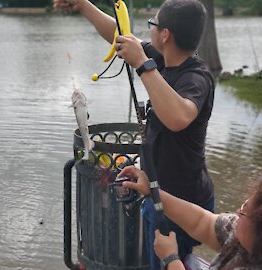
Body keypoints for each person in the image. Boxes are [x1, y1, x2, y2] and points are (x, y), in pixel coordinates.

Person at [53, 0, 216, 268]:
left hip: (184, 202)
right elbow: (119, 37)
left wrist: (141, 63)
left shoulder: (196, 77)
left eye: (153, 24)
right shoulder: (162, 59)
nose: (149, 29)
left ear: (165, 35)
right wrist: (82, 4)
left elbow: (179, 117)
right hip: (157, 191)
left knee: (169, 260)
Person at [119, 166, 262, 269]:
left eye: (246, 212)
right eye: (245, 204)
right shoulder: (239, 236)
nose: (238, 211)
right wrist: (153, 191)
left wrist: (171, 259)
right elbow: (202, 222)